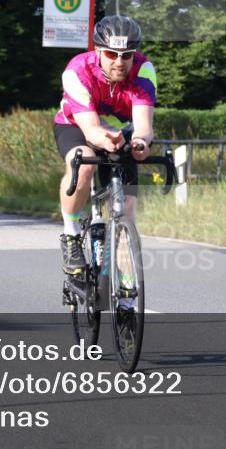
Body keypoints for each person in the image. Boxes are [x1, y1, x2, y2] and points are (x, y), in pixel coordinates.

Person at [54, 15, 156, 275]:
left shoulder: (144, 70)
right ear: (98, 50)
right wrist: (108, 140)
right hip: (76, 126)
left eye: (126, 55)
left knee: (128, 212)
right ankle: (72, 234)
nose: (119, 62)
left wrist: (141, 143)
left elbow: (144, 126)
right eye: (111, 54)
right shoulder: (77, 71)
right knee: (83, 163)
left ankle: (127, 300)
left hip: (122, 133)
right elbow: (92, 130)